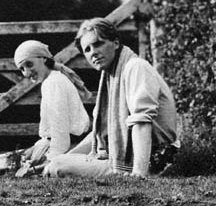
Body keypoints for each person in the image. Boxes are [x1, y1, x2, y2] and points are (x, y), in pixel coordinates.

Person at [44, 18, 178, 179]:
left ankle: (128, 170)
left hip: (154, 157)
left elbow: (142, 120)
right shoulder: (110, 76)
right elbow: (101, 130)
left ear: (115, 43)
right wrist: (66, 157)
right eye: (87, 49)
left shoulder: (135, 67)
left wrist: (139, 173)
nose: (93, 52)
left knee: (58, 167)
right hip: (132, 155)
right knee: (59, 161)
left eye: (98, 44)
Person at [10, 40, 91, 176]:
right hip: (55, 143)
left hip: (71, 147)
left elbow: (60, 129)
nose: (27, 73)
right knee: (5, 160)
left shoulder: (54, 82)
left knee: (3, 165)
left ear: (43, 59)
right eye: (22, 69)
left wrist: (51, 160)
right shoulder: (51, 81)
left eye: (29, 64)